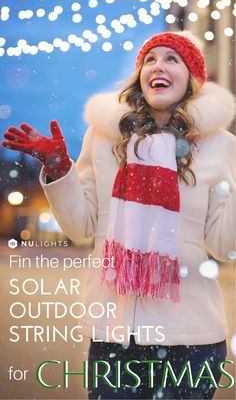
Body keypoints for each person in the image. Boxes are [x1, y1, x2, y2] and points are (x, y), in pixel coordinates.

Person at [2, 31, 235, 399]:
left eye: (172, 59)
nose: (158, 65)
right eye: (150, 59)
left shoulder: (219, 145)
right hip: (114, 336)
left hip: (191, 339)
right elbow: (81, 227)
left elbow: (225, 246)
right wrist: (59, 169)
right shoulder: (105, 137)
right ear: (140, 74)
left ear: (191, 78)